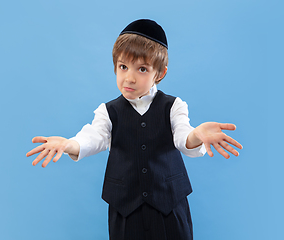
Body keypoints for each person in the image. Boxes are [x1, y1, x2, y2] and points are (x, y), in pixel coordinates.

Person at [26, 19, 243, 240]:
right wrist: (69, 144)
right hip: (125, 210)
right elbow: (92, 137)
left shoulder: (173, 106)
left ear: (160, 73)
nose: (129, 77)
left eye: (142, 69)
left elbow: (182, 136)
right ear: (115, 67)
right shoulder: (108, 111)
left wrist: (196, 135)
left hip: (169, 207)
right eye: (123, 67)